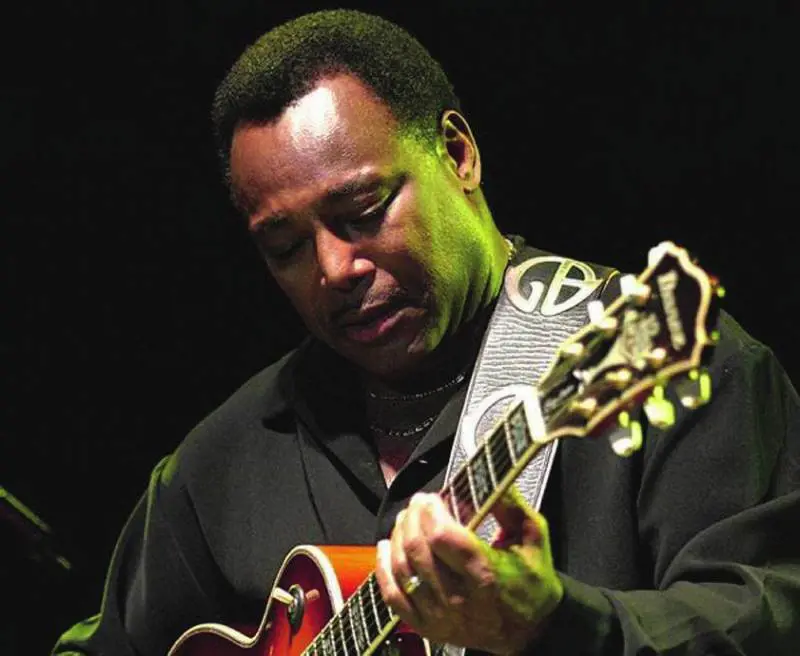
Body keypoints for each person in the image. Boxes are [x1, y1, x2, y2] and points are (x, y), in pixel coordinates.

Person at [53, 9, 800, 656]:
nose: (334, 269)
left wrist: (555, 625)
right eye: (285, 248)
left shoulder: (669, 360)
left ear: (458, 154)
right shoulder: (220, 466)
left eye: (363, 211)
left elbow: (769, 622)